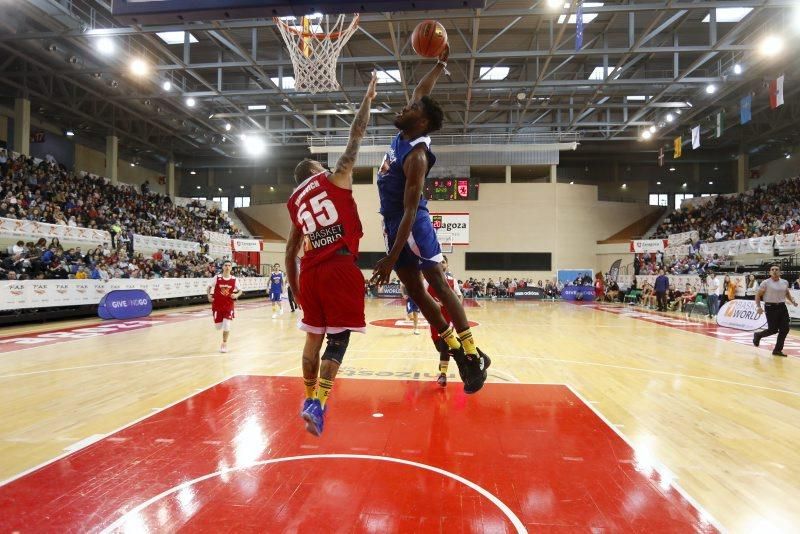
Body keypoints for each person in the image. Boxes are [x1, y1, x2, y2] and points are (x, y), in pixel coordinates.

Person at [370, 45, 490, 394]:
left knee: (436, 281)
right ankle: (456, 349)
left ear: (421, 121)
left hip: (411, 221)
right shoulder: (406, 131)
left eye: (411, 108)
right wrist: (440, 64)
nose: (405, 105)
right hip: (391, 221)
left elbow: (410, 210)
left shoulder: (417, 156)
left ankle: (470, 351)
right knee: (413, 290)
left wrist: (392, 256)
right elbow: (422, 91)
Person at [285, 73, 377, 436]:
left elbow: (290, 252)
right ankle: (320, 404)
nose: (325, 167)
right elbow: (355, 137)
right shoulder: (332, 178)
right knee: (338, 340)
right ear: (313, 171)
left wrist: (295, 290)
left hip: (309, 274)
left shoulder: (294, 203)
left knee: (312, 338)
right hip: (339, 267)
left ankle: (308, 397)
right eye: (319, 166)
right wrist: (367, 99)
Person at [425, 255, 462, 386]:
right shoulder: (427, 280)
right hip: (434, 316)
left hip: (448, 317)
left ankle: (443, 375)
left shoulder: (453, 281)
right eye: (439, 262)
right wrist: (434, 303)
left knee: (444, 344)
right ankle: (456, 352)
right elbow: (422, 295)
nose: (441, 264)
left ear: (447, 265)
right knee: (439, 346)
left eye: (444, 262)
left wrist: (455, 309)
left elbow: (459, 296)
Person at [753, 264, 798, 357]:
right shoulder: (765, 283)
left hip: (782, 307)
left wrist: (792, 301)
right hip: (770, 307)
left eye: (776, 269)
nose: (774, 271)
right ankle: (758, 335)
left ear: (780, 272)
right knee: (773, 330)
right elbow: (758, 295)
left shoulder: (785, 282)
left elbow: (787, 293)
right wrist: (758, 307)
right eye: (772, 269)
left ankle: (777, 350)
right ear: (770, 272)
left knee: (785, 329)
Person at [207, 259, 242, 353]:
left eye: (229, 265)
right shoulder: (217, 278)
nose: (227, 267)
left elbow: (240, 290)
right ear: (222, 267)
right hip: (217, 306)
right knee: (218, 327)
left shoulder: (234, 279)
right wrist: (209, 296)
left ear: (231, 268)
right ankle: (222, 322)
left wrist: (237, 295)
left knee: (227, 325)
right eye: (225, 265)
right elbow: (209, 287)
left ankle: (224, 344)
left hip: (228, 305)